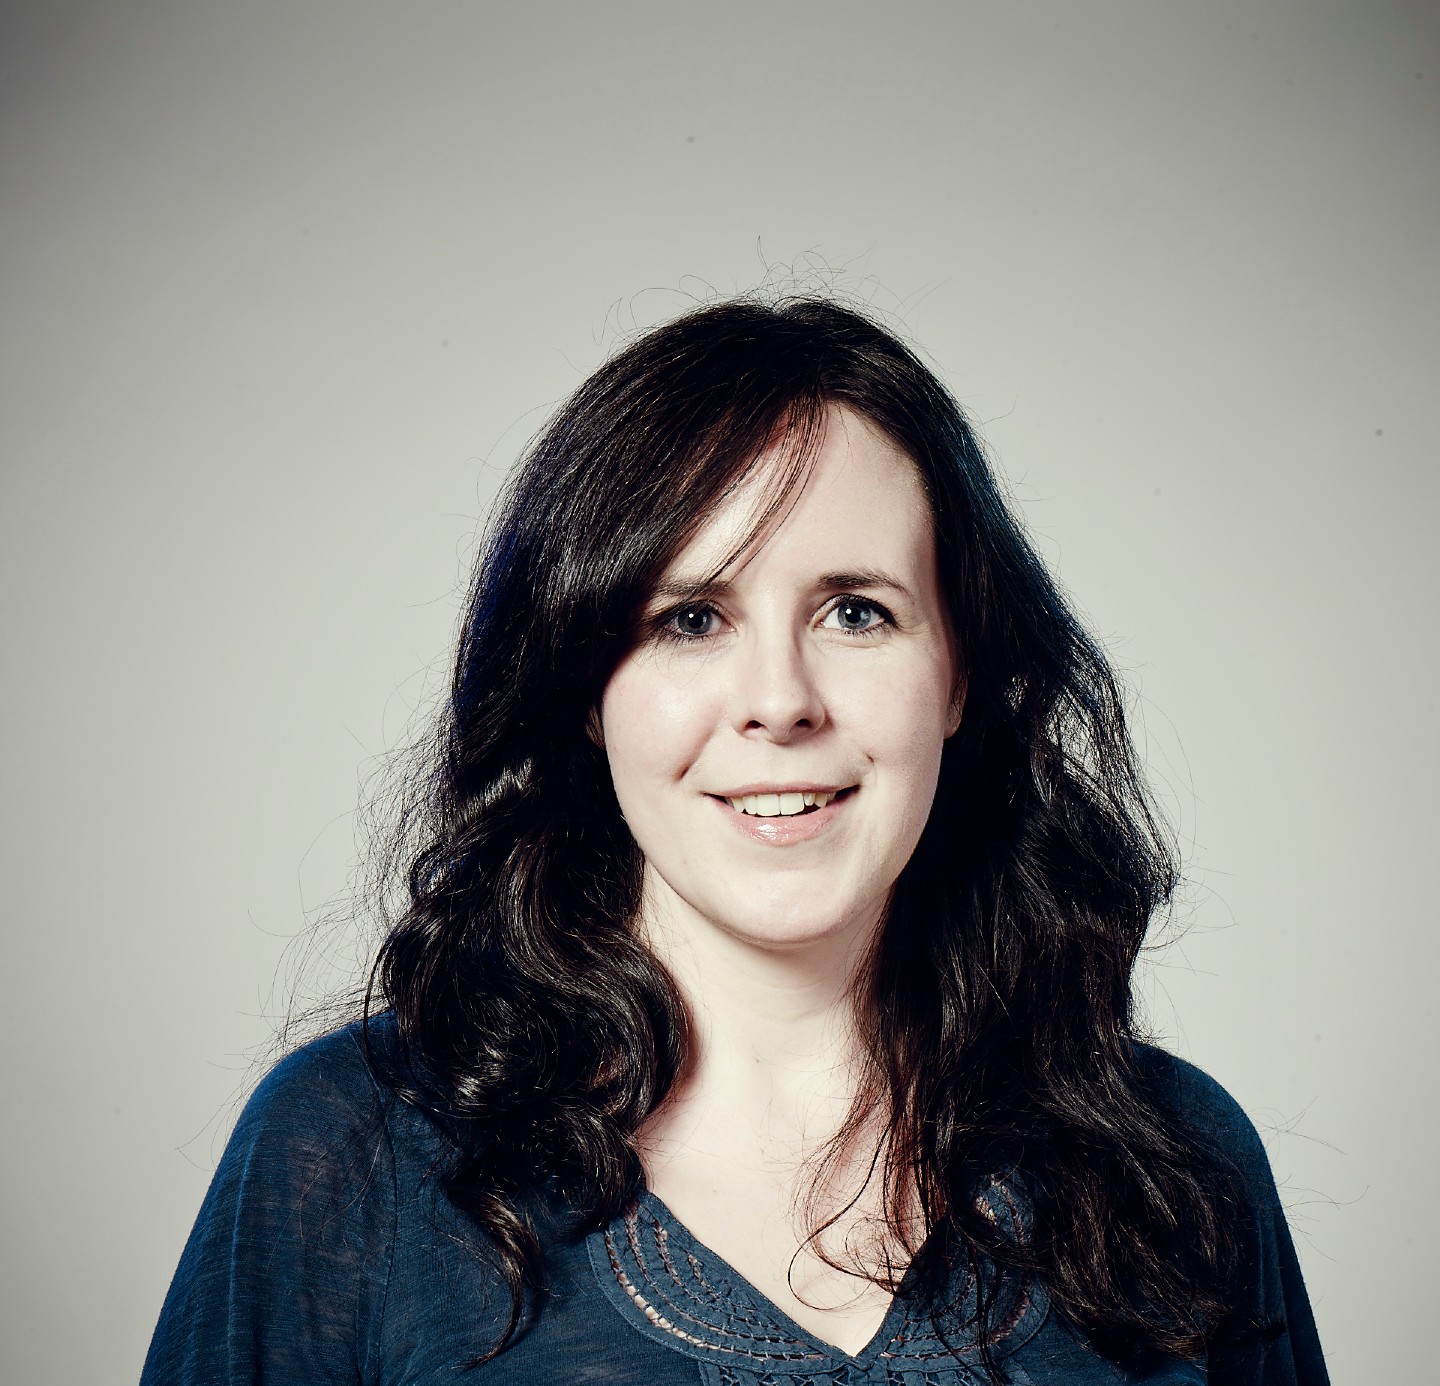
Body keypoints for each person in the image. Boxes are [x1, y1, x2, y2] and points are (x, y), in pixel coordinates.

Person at [141, 297, 1329, 1385]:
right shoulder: (352, 1152)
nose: (779, 699)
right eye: (691, 618)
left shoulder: (1177, 1162)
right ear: (585, 691)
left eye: (856, 611)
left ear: (960, 673)